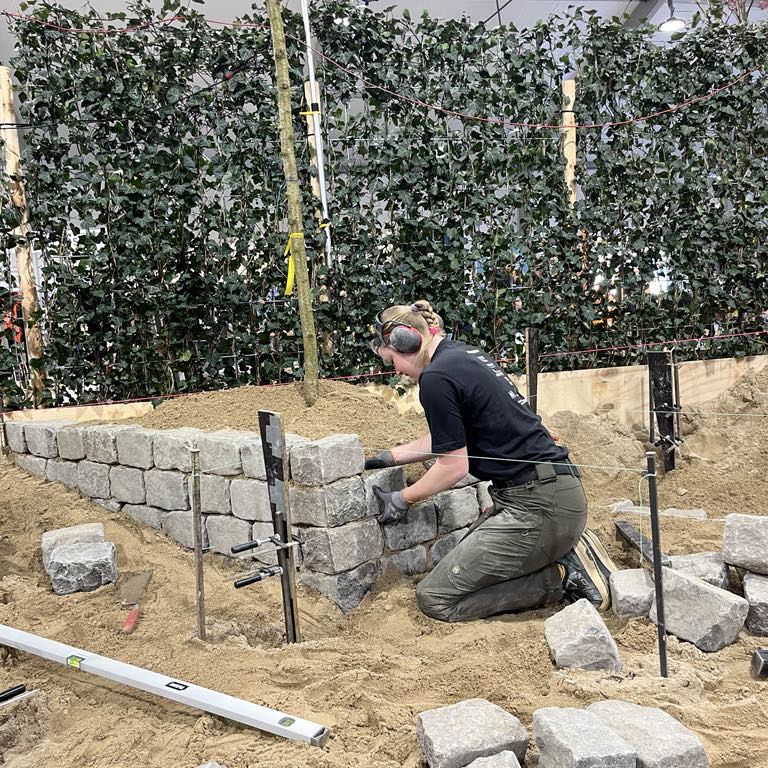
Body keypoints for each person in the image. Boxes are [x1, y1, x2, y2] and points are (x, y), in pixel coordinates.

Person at [367, 299, 617, 623]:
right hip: (554, 492)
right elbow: (452, 437)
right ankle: (562, 547)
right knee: (467, 569)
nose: (397, 372)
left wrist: (403, 498)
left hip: (538, 505)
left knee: (435, 598)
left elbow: (453, 465)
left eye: (393, 361)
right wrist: (391, 456)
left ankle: (560, 577)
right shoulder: (464, 356)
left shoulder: (436, 378)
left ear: (407, 341)